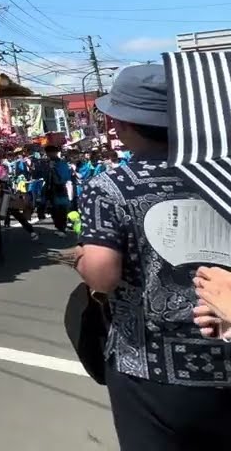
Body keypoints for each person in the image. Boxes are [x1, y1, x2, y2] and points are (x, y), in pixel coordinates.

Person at [75, 65, 231, 450]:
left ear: (121, 123)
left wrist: (77, 258)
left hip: (149, 365)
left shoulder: (111, 185)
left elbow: (103, 276)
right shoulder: (222, 174)